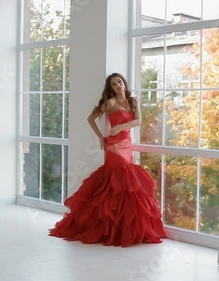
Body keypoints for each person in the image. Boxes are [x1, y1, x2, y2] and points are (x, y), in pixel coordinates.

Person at [49, 73, 166, 247]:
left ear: (124, 83)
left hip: (127, 145)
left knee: (127, 185)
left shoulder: (133, 102)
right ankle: (109, 229)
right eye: (113, 84)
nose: (117, 85)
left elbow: (138, 121)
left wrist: (121, 126)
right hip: (113, 146)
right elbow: (90, 119)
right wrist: (100, 138)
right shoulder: (109, 103)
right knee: (118, 181)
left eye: (119, 82)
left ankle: (122, 228)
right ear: (110, 88)